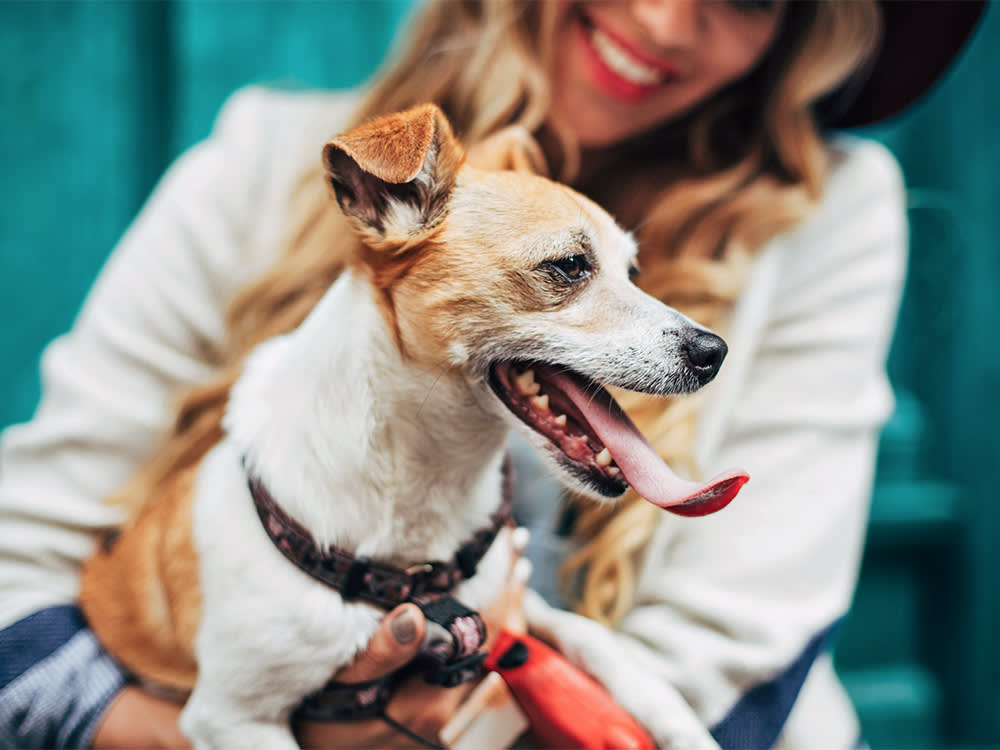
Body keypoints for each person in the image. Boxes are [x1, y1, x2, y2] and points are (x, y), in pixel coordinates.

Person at [0, 1, 984, 748]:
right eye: (562, 272)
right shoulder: (260, 161)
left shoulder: (828, 211)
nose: (662, 21)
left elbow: (736, 656)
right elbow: (15, 573)